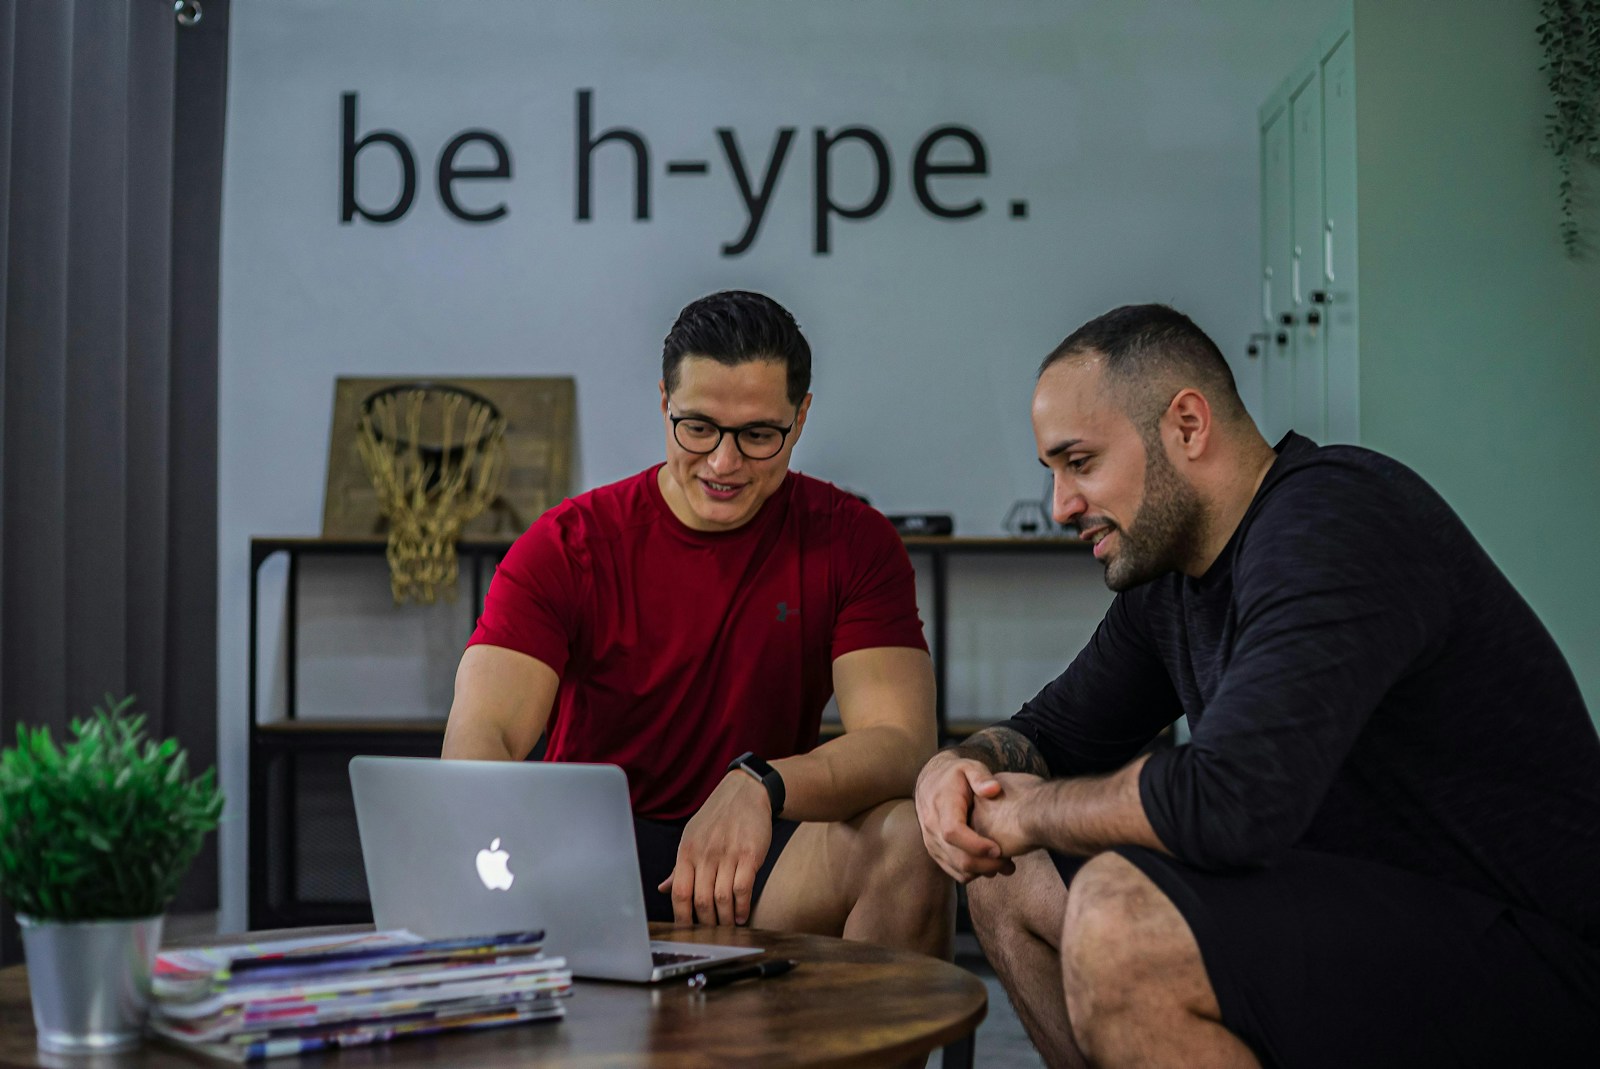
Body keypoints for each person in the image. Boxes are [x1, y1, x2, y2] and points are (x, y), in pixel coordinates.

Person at [914, 303, 1600, 1067]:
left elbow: (1234, 799)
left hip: (1530, 963)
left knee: (1123, 919)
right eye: (1053, 473)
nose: (1060, 506)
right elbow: (1045, 735)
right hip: (1356, 925)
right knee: (1004, 873)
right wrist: (958, 764)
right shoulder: (1168, 582)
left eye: (1080, 463)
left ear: (1187, 425)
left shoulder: (1334, 519)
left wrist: (1036, 810)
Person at [443, 290, 950, 958]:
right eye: (699, 427)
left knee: (910, 838)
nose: (723, 463)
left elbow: (900, 742)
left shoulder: (852, 541)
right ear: (664, 404)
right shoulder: (568, 543)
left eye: (758, 435)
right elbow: (484, 737)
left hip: (759, 854)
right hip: (590, 861)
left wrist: (761, 783)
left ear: (800, 419)